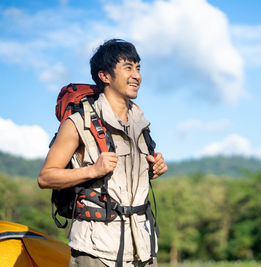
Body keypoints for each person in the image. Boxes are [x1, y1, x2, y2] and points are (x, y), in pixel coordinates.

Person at [38, 39, 168, 267]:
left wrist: (153, 169)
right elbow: (46, 177)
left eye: (138, 68)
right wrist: (93, 170)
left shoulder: (141, 123)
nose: (136, 75)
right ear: (104, 76)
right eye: (128, 67)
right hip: (96, 251)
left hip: (143, 248)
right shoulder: (78, 123)